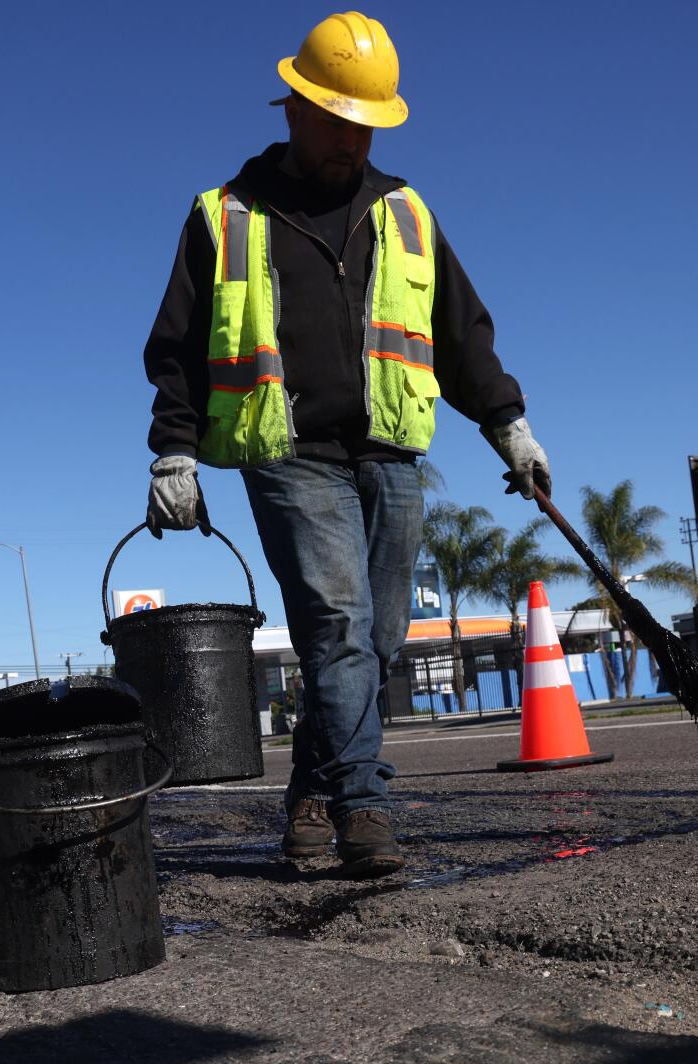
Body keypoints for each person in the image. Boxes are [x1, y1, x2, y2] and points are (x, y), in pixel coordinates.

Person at [142, 12, 544, 877]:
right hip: (286, 451)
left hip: (391, 451)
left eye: (365, 125)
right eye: (336, 121)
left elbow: (462, 332)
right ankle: (366, 804)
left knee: (380, 639)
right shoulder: (225, 214)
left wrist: (508, 423)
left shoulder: (405, 210)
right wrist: (172, 451)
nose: (351, 142)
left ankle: (311, 795)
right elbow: (175, 348)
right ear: (291, 108)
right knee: (337, 625)